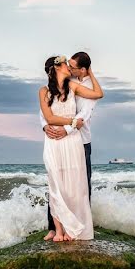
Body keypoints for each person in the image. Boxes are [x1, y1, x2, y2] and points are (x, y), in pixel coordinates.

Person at [38, 55, 103, 242]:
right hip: (55, 139)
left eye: (73, 66)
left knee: (79, 185)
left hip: (79, 140)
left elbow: (93, 102)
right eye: (67, 65)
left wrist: (69, 127)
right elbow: (46, 115)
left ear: (82, 69)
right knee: (56, 183)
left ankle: (76, 226)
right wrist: (53, 125)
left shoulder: (77, 85)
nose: (70, 68)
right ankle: (55, 229)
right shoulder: (47, 89)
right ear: (57, 68)